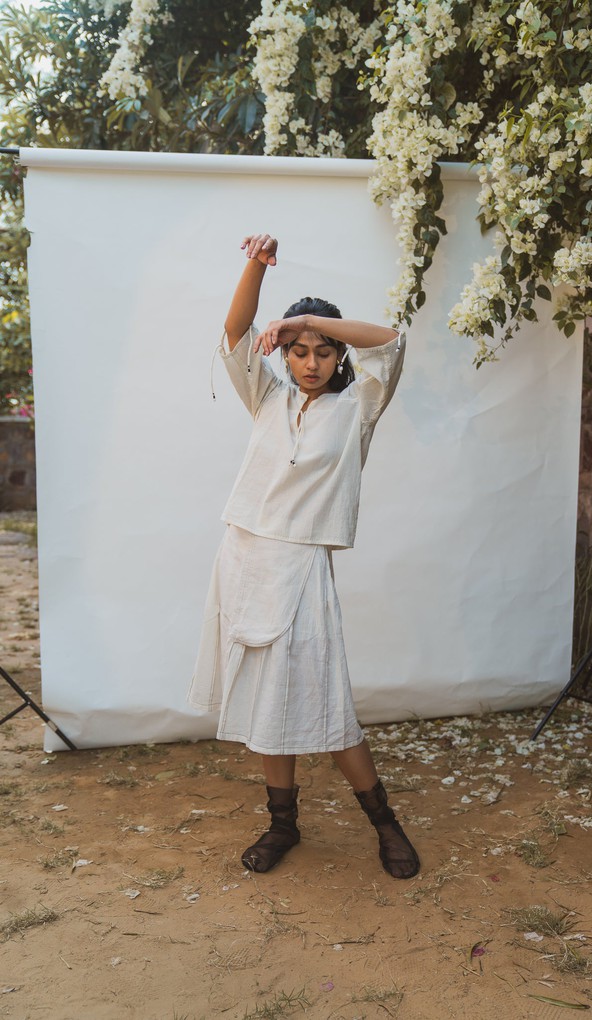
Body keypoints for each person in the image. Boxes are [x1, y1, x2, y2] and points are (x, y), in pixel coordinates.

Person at [188, 232, 419, 880]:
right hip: (243, 554)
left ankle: (384, 821)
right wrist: (255, 268)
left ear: (337, 352)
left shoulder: (359, 408)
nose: (310, 361)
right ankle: (282, 824)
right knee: (267, 699)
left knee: (327, 700)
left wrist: (308, 317)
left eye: (321, 350)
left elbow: (394, 339)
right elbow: (235, 330)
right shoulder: (268, 398)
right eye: (297, 350)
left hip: (301, 564)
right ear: (284, 357)